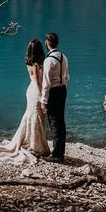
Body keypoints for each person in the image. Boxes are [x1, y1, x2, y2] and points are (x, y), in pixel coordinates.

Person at [0, 39, 51, 164]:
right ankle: (36, 145)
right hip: (35, 92)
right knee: (35, 116)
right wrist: (43, 97)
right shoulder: (35, 65)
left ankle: (35, 143)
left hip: (34, 91)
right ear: (39, 50)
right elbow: (37, 83)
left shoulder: (36, 62)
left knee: (34, 116)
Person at [39, 31, 69, 163]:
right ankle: (60, 151)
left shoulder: (48, 60)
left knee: (54, 123)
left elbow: (46, 83)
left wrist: (43, 101)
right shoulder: (64, 56)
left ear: (47, 43)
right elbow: (67, 76)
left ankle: (57, 155)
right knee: (61, 121)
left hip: (54, 92)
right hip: (63, 89)